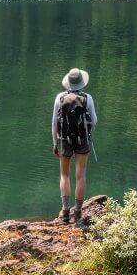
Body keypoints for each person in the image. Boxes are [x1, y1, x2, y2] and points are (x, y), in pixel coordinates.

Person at [51, 67, 97, 224]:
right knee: (81, 175)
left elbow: (54, 123)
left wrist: (55, 143)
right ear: (81, 83)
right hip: (82, 140)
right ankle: (77, 212)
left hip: (64, 140)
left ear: (68, 82)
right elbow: (95, 120)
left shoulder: (60, 97)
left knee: (65, 175)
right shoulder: (87, 98)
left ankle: (65, 211)